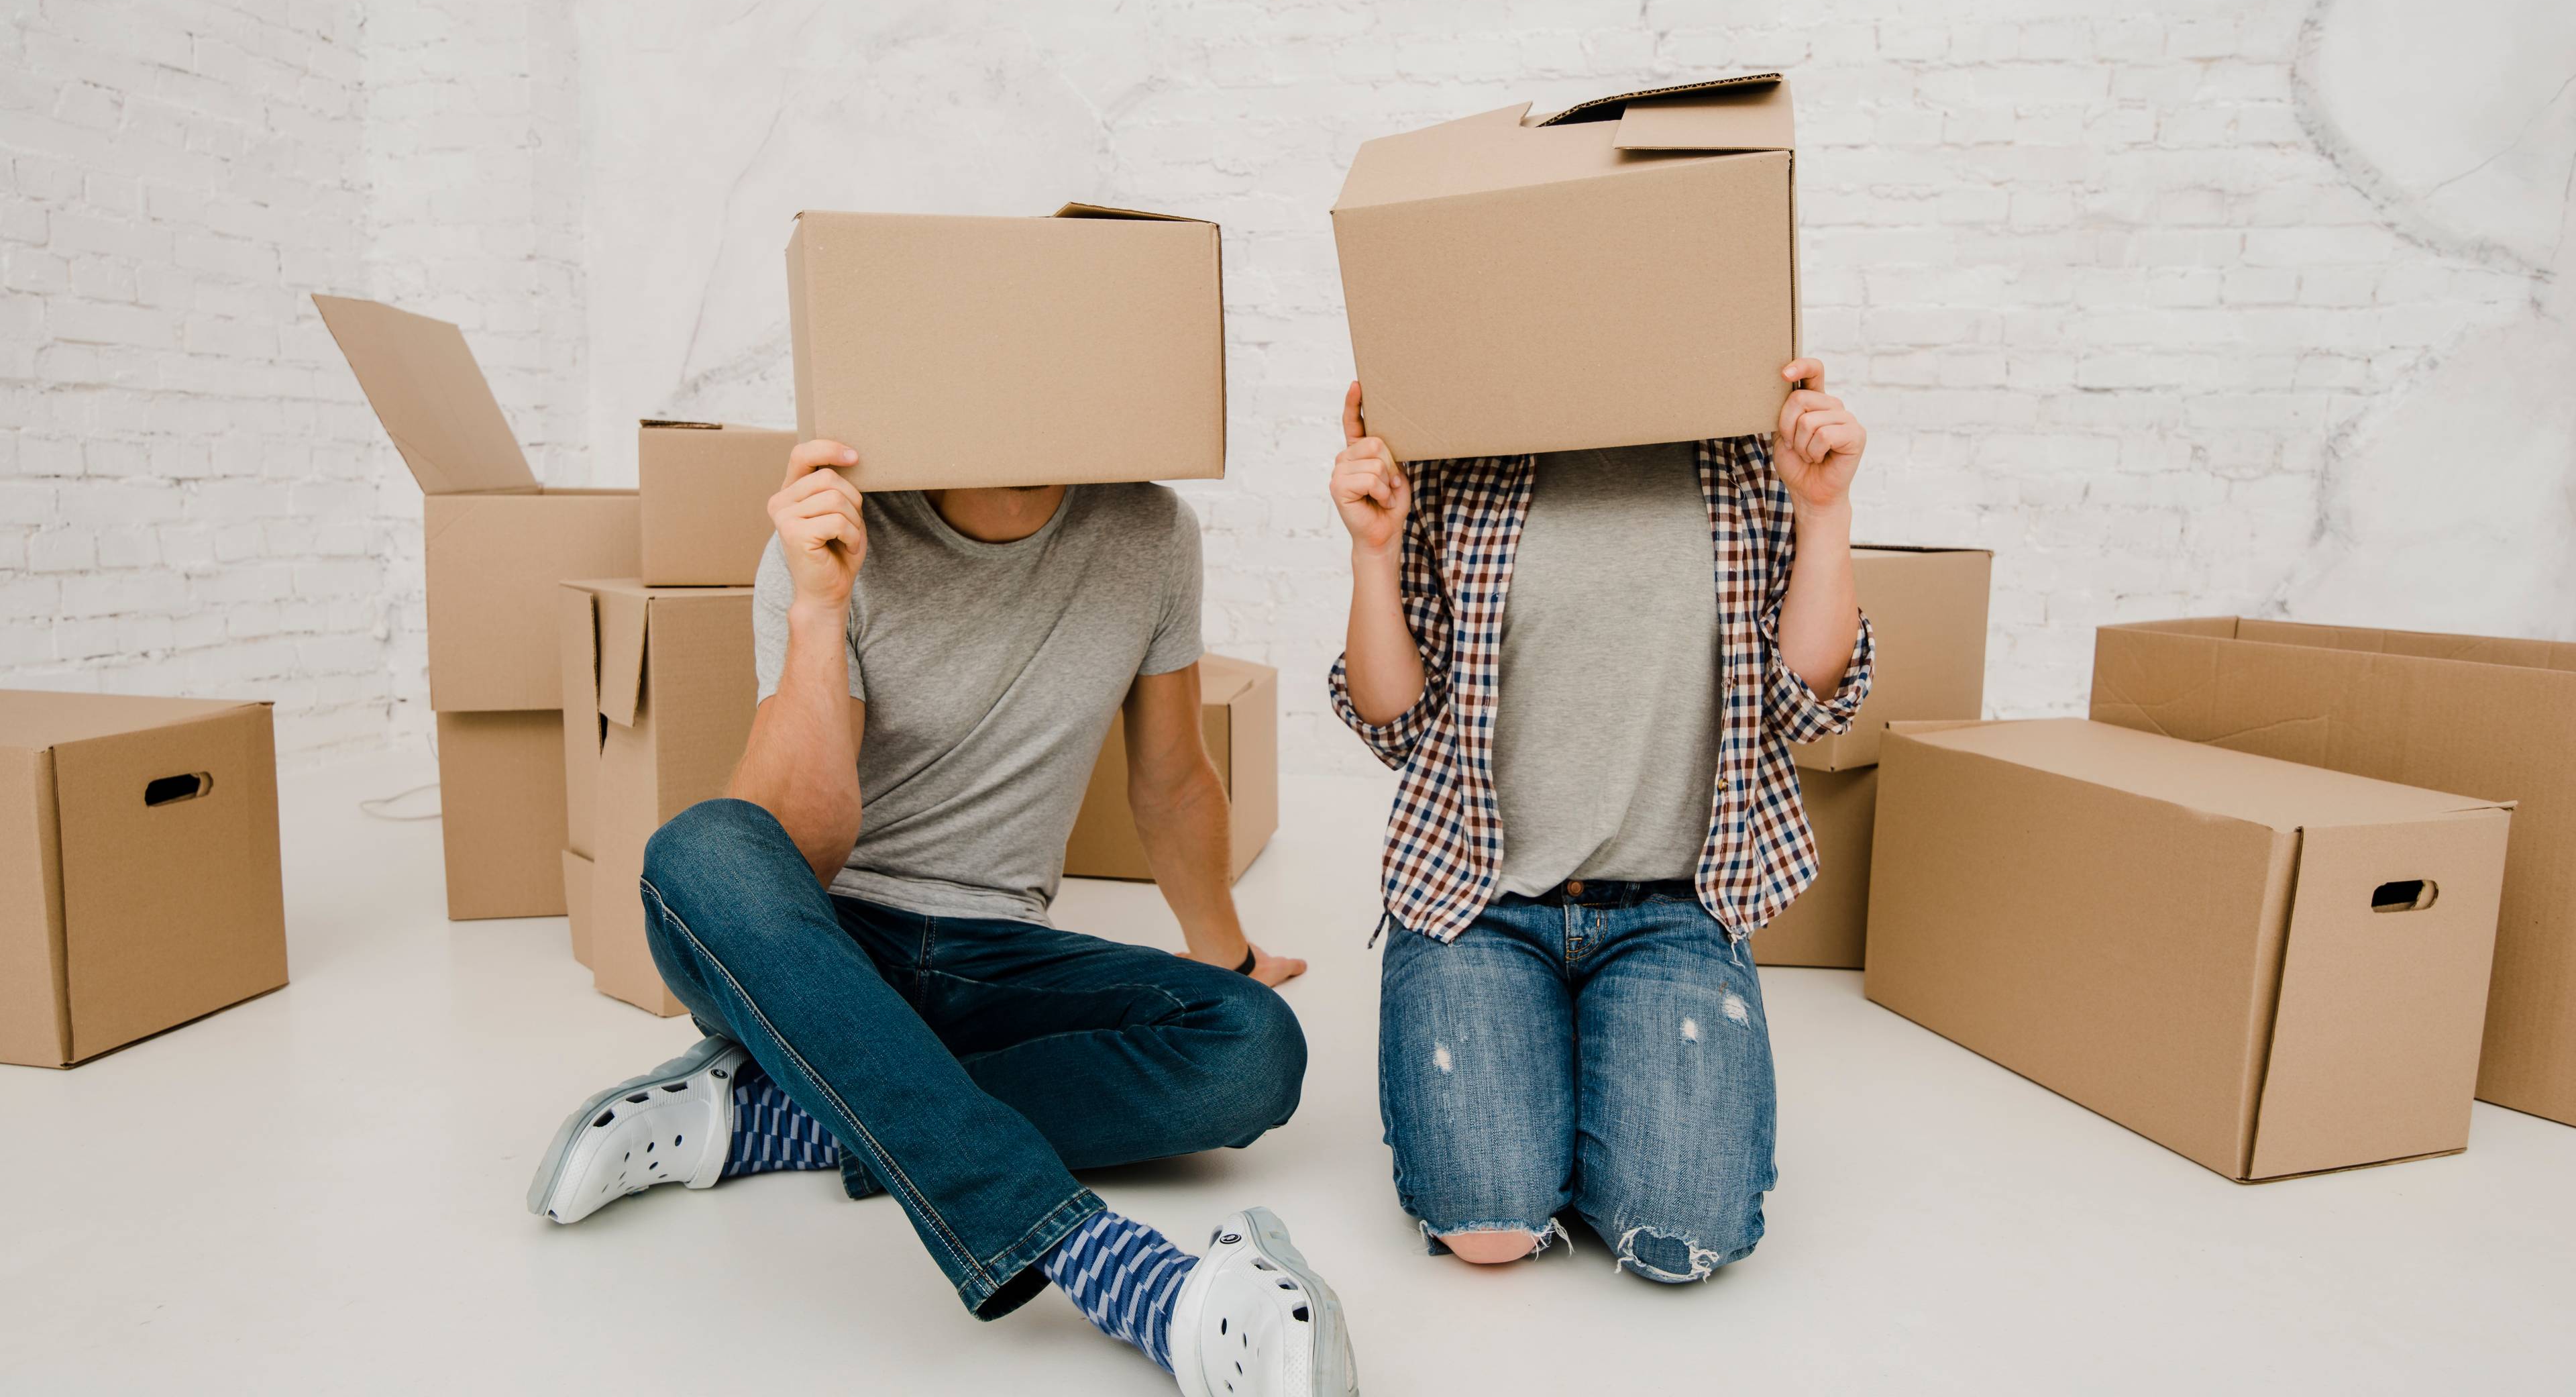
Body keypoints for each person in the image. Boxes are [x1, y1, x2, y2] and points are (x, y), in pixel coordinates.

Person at [527, 441, 1358, 1397]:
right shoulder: (828, 531)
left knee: (1254, 1047)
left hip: (995, 952)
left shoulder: (1149, 530)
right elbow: (797, 847)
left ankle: (777, 1117)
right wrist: (819, 610)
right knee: (701, 849)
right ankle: (1125, 1276)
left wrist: (1230, 956)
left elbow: (1172, 780)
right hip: (816, 948)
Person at [1326, 359, 1874, 1284]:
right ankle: (1548, 1071)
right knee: (1487, 1225)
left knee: (1681, 1236)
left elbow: (1810, 704)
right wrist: (1374, 555)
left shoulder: (1743, 452)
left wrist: (1824, 512)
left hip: (1671, 908)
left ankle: (1594, 1065)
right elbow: (1395, 722)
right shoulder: (1463, 458)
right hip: (1480, 901)